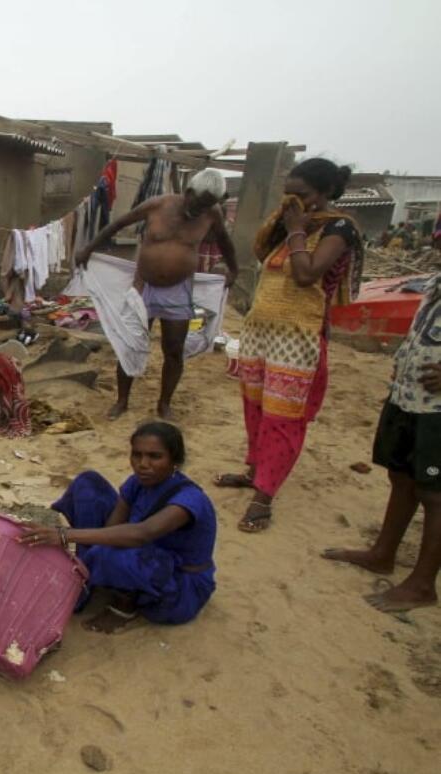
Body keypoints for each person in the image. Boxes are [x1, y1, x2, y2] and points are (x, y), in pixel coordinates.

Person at [215, 158, 363, 532]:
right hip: (261, 331)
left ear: (326, 192)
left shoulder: (339, 228)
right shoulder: (290, 226)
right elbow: (262, 254)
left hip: (297, 337)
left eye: (303, 195)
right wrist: (289, 225)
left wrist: (296, 229)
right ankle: (255, 470)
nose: (293, 203)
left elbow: (306, 274)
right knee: (256, 408)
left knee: (283, 417)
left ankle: (264, 496)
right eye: (289, 195)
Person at [21, 422, 217, 633]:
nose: (143, 464)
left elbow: (142, 534)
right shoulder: (137, 483)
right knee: (88, 483)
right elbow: (113, 526)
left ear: (174, 461)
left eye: (155, 456)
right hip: (145, 554)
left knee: (112, 554)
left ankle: (124, 606)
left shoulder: (188, 501)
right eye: (137, 455)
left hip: (179, 588)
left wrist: (64, 535)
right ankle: (86, 573)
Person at [75, 168, 239, 421]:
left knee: (173, 350)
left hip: (179, 290)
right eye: (198, 203)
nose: (200, 210)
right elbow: (118, 224)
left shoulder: (212, 213)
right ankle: (122, 401)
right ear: (189, 192)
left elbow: (225, 242)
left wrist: (233, 269)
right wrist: (88, 248)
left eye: (207, 205)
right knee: (131, 344)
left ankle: (164, 404)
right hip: (144, 287)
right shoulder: (158, 205)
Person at [321, 271, 441, 612]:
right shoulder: (435, 283)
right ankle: (382, 553)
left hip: (437, 409)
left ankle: (422, 585)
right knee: (400, 476)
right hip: (409, 396)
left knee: (435, 493)